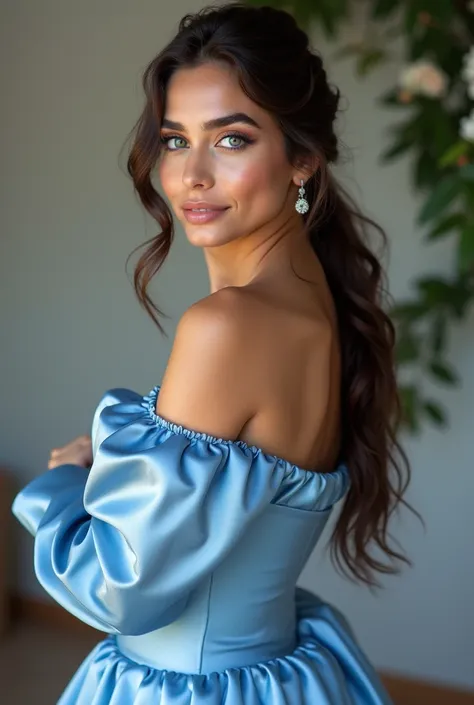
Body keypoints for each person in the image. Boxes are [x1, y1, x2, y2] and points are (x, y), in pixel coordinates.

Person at [12, 3, 414, 703]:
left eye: (231, 140)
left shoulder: (227, 325)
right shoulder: (320, 299)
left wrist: (66, 485)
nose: (191, 175)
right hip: (282, 670)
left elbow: (119, 589)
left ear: (303, 159)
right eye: (175, 140)